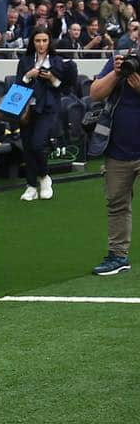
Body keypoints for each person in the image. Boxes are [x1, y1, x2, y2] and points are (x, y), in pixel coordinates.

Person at [88, 47, 140, 275]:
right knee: (117, 204)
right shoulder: (121, 59)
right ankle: (118, 256)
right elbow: (95, 93)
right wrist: (117, 73)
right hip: (118, 149)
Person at [16, 27, 76, 202]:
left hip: (48, 109)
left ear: (49, 42)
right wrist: (29, 75)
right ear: (32, 42)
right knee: (27, 147)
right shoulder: (25, 60)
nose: (41, 44)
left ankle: (44, 178)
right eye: (37, 41)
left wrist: (51, 78)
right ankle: (31, 186)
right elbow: (18, 85)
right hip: (27, 109)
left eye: (44, 41)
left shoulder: (57, 61)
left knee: (37, 144)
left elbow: (64, 88)